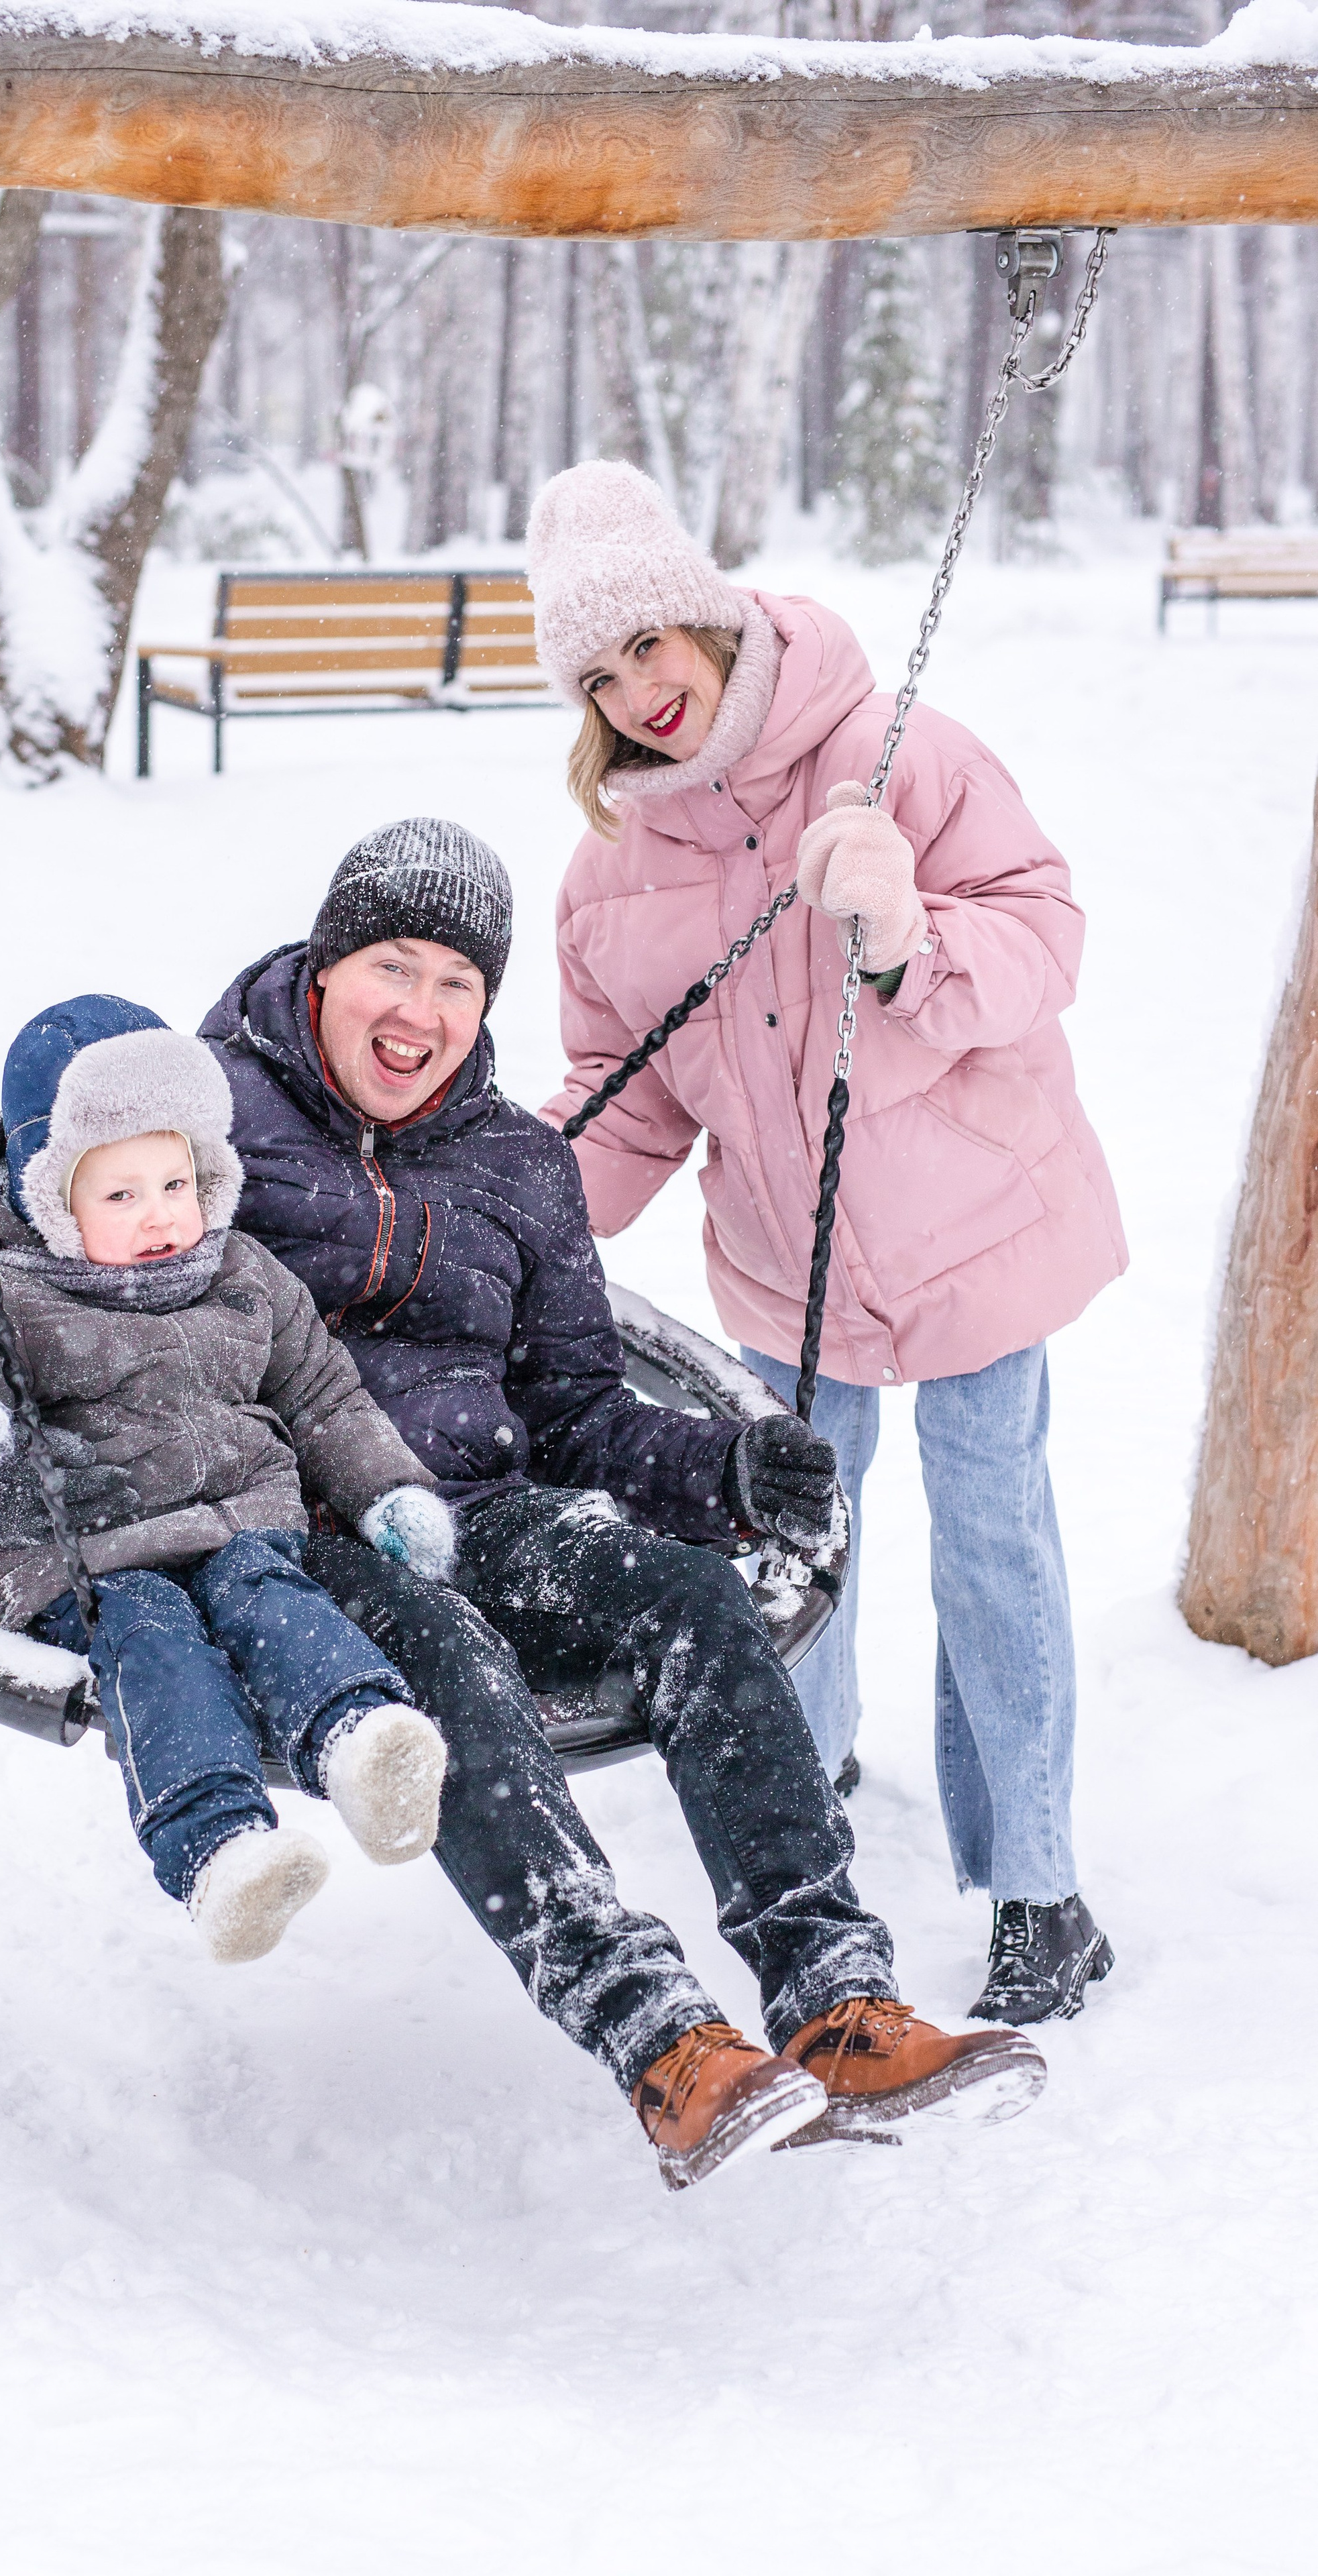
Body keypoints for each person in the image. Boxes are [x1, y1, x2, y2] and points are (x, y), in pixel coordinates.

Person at [201, 817, 1046, 2190]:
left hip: (479, 1506)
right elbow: (54, 1229)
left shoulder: (516, 1168)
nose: (417, 1012)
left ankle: (832, 1999)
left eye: (456, 983)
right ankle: (654, 2038)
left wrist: (717, 1474)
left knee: (684, 1595)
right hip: (288, 1547)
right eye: (389, 968)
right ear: (322, 966)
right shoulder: (206, 1113)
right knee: (451, 1661)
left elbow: (576, 1409)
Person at [527, 457, 1124, 2024]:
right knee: (797, 1539)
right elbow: (627, 1095)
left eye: (647, 645)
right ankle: (810, 1794)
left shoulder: (888, 750)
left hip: (976, 1227)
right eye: (597, 675)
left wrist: (916, 937)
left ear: (703, 617)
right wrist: (524, 1201)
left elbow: (1043, 932)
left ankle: (1037, 1887)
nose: (637, 691)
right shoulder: (609, 872)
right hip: (780, 1269)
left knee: (990, 1538)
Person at [0, 995, 455, 1967]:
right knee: (154, 1643)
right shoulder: (5, 1290)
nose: (161, 1216)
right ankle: (220, 1855)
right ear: (53, 1202)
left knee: (272, 1600)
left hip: (238, 1529)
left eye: (176, 1182)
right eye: (122, 1196)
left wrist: (388, 1492)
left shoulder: (243, 1273)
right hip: (84, 1555)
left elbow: (326, 1398)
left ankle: (360, 1742)